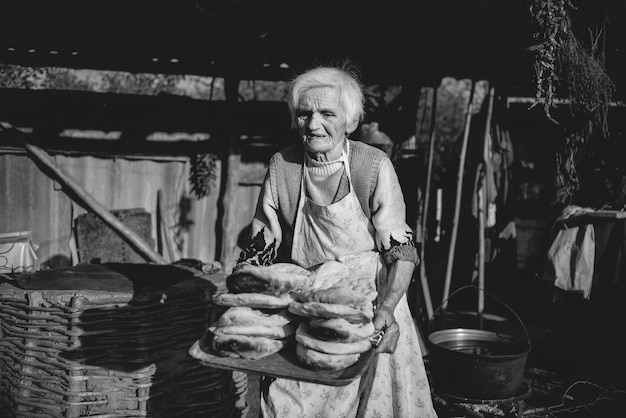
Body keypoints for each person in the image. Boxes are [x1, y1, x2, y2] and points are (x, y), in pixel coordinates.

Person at [234, 64, 437, 417]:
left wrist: (388, 308)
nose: (313, 125)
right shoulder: (283, 166)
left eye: (327, 113)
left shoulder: (371, 166)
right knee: (290, 403)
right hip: (308, 305)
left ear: (350, 121)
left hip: (368, 306)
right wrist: (242, 301)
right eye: (304, 114)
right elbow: (262, 242)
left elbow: (399, 250)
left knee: (374, 403)